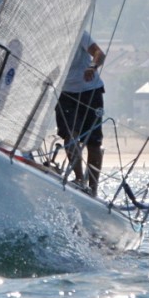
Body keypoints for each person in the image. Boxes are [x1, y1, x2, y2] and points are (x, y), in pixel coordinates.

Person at [55, 31, 106, 195]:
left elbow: (99, 54)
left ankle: (93, 188)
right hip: (66, 92)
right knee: (69, 136)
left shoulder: (79, 33)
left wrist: (92, 66)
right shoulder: (50, 35)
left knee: (93, 142)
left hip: (90, 90)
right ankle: (79, 179)